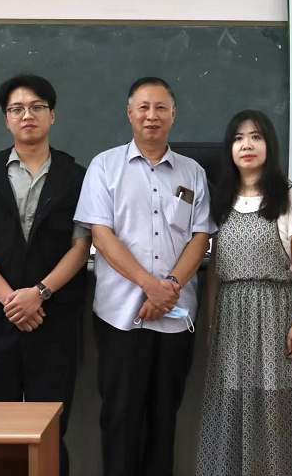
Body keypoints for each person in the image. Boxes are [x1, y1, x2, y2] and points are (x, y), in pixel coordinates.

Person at [0, 73, 89, 476]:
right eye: (17, 109)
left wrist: (38, 293)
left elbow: (81, 246)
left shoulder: (77, 177)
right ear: (6, 118)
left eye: (37, 107)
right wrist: (12, 300)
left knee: (51, 430)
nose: (28, 115)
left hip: (54, 320)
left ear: (52, 115)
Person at [74, 76, 215, 476]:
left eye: (160, 108)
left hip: (175, 316)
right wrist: (150, 286)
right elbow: (101, 235)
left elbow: (200, 236)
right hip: (120, 316)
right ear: (130, 113)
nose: (152, 116)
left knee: (164, 419)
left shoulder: (193, 172)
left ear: (173, 114)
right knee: (120, 418)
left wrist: (169, 289)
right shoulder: (104, 166)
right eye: (144, 107)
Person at [196, 110, 292, 476]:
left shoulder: (291, 196)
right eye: (238, 138)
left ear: (270, 145)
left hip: (275, 314)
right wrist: (212, 322)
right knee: (232, 409)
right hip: (231, 319)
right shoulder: (220, 198)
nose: (246, 145)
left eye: (256, 137)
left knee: (276, 409)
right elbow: (215, 270)